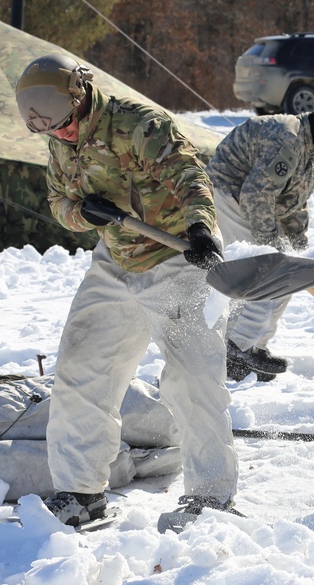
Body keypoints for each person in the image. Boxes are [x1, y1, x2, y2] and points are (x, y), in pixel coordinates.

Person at [15, 54, 240, 532]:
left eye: (67, 125)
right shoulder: (58, 134)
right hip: (116, 258)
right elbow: (59, 201)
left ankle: (211, 499)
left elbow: (190, 176)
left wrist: (201, 227)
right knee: (81, 370)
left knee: (192, 380)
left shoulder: (139, 125)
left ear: (81, 97)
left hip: (176, 259)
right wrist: (84, 216)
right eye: (51, 132)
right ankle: (81, 491)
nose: (63, 136)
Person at [205, 96, 314, 382]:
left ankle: (251, 346)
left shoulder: (311, 151)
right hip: (228, 194)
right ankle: (236, 348)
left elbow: (294, 202)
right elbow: (255, 194)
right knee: (266, 273)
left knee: (285, 273)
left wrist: (298, 250)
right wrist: (272, 247)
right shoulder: (288, 140)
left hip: (250, 200)